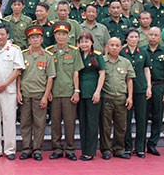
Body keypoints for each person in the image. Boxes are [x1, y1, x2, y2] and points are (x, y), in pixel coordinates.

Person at [46, 22, 84, 161]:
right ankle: (56, 148)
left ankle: (70, 149)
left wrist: (76, 91)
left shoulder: (74, 52)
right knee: (55, 122)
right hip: (55, 92)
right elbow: (47, 74)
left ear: (68, 36)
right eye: (58, 34)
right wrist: (48, 91)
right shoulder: (49, 51)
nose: (61, 37)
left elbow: (76, 73)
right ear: (54, 36)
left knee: (69, 122)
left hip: (69, 92)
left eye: (64, 34)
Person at [17, 25, 55, 161]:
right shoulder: (22, 55)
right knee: (25, 123)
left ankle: (37, 149)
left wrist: (46, 95)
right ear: (28, 40)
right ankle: (26, 149)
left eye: (37, 37)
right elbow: (19, 75)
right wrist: (18, 92)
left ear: (41, 39)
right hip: (26, 93)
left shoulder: (47, 56)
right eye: (32, 38)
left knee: (39, 124)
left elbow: (50, 77)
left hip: (40, 94)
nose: (35, 40)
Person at [0, 25, 24, 160]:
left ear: (7, 35)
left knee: (9, 120)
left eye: (2, 34)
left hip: (9, 90)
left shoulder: (14, 50)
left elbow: (17, 70)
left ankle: (9, 149)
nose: (0, 37)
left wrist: (5, 84)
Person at [100, 37, 135, 160]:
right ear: (107, 47)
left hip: (121, 98)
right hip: (107, 98)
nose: (114, 47)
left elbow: (129, 80)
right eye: (112, 45)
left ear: (121, 47)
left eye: (117, 45)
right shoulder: (102, 61)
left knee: (121, 126)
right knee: (106, 126)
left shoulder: (125, 62)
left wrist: (130, 97)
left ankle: (119, 149)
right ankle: (106, 149)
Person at [120, 28, 151, 158]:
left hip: (141, 88)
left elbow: (146, 69)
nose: (133, 39)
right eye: (131, 37)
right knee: (125, 120)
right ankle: (127, 147)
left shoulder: (143, 52)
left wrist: (149, 86)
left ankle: (140, 148)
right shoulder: (122, 52)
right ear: (126, 38)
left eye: (136, 37)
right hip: (125, 90)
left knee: (141, 119)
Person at [77, 32, 105, 161]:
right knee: (83, 122)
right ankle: (84, 150)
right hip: (81, 93)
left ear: (92, 42)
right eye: (82, 42)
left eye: (86, 41)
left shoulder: (97, 56)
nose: (84, 44)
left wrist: (98, 91)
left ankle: (91, 151)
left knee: (92, 123)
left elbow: (102, 74)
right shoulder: (77, 55)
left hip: (93, 93)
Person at [144, 27, 164, 156]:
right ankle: (140, 145)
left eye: (156, 35)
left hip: (159, 86)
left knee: (158, 117)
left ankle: (152, 144)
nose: (153, 37)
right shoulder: (142, 50)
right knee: (143, 116)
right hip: (144, 87)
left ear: (160, 37)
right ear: (147, 35)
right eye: (151, 34)